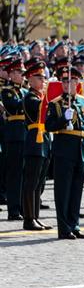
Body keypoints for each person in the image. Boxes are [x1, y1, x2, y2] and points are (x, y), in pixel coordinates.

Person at [44, 67, 84, 240]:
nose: (67, 84)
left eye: (70, 80)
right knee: (63, 192)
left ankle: (75, 225)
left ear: (77, 82)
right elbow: (48, 126)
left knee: (76, 192)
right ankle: (64, 228)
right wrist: (63, 119)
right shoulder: (55, 103)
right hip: (64, 152)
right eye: (64, 81)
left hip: (81, 152)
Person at [21, 60, 52, 230]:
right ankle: (28, 218)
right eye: (39, 78)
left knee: (39, 182)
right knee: (31, 182)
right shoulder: (30, 97)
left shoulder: (41, 96)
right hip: (34, 141)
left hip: (45, 141)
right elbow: (42, 108)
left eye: (44, 78)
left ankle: (36, 216)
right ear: (30, 79)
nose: (43, 81)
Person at [1, 59, 28, 220]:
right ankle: (13, 209)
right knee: (15, 174)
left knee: (26, 174)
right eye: (19, 73)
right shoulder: (7, 91)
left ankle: (25, 207)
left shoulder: (25, 92)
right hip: (14, 135)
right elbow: (14, 106)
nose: (22, 76)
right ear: (11, 74)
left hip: (26, 134)